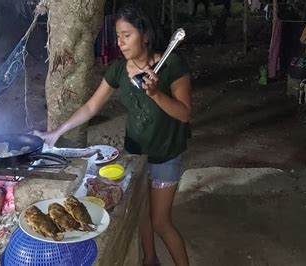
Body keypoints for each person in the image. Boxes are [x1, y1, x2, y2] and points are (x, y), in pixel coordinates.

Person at [36, 4, 191, 266]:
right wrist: (55, 133)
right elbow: (91, 107)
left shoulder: (172, 65)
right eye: (118, 36)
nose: (120, 42)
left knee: (160, 222)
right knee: (140, 214)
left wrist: (156, 94)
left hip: (166, 155)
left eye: (126, 35)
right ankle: (150, 260)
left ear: (145, 35)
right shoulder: (119, 70)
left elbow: (185, 114)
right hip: (135, 154)